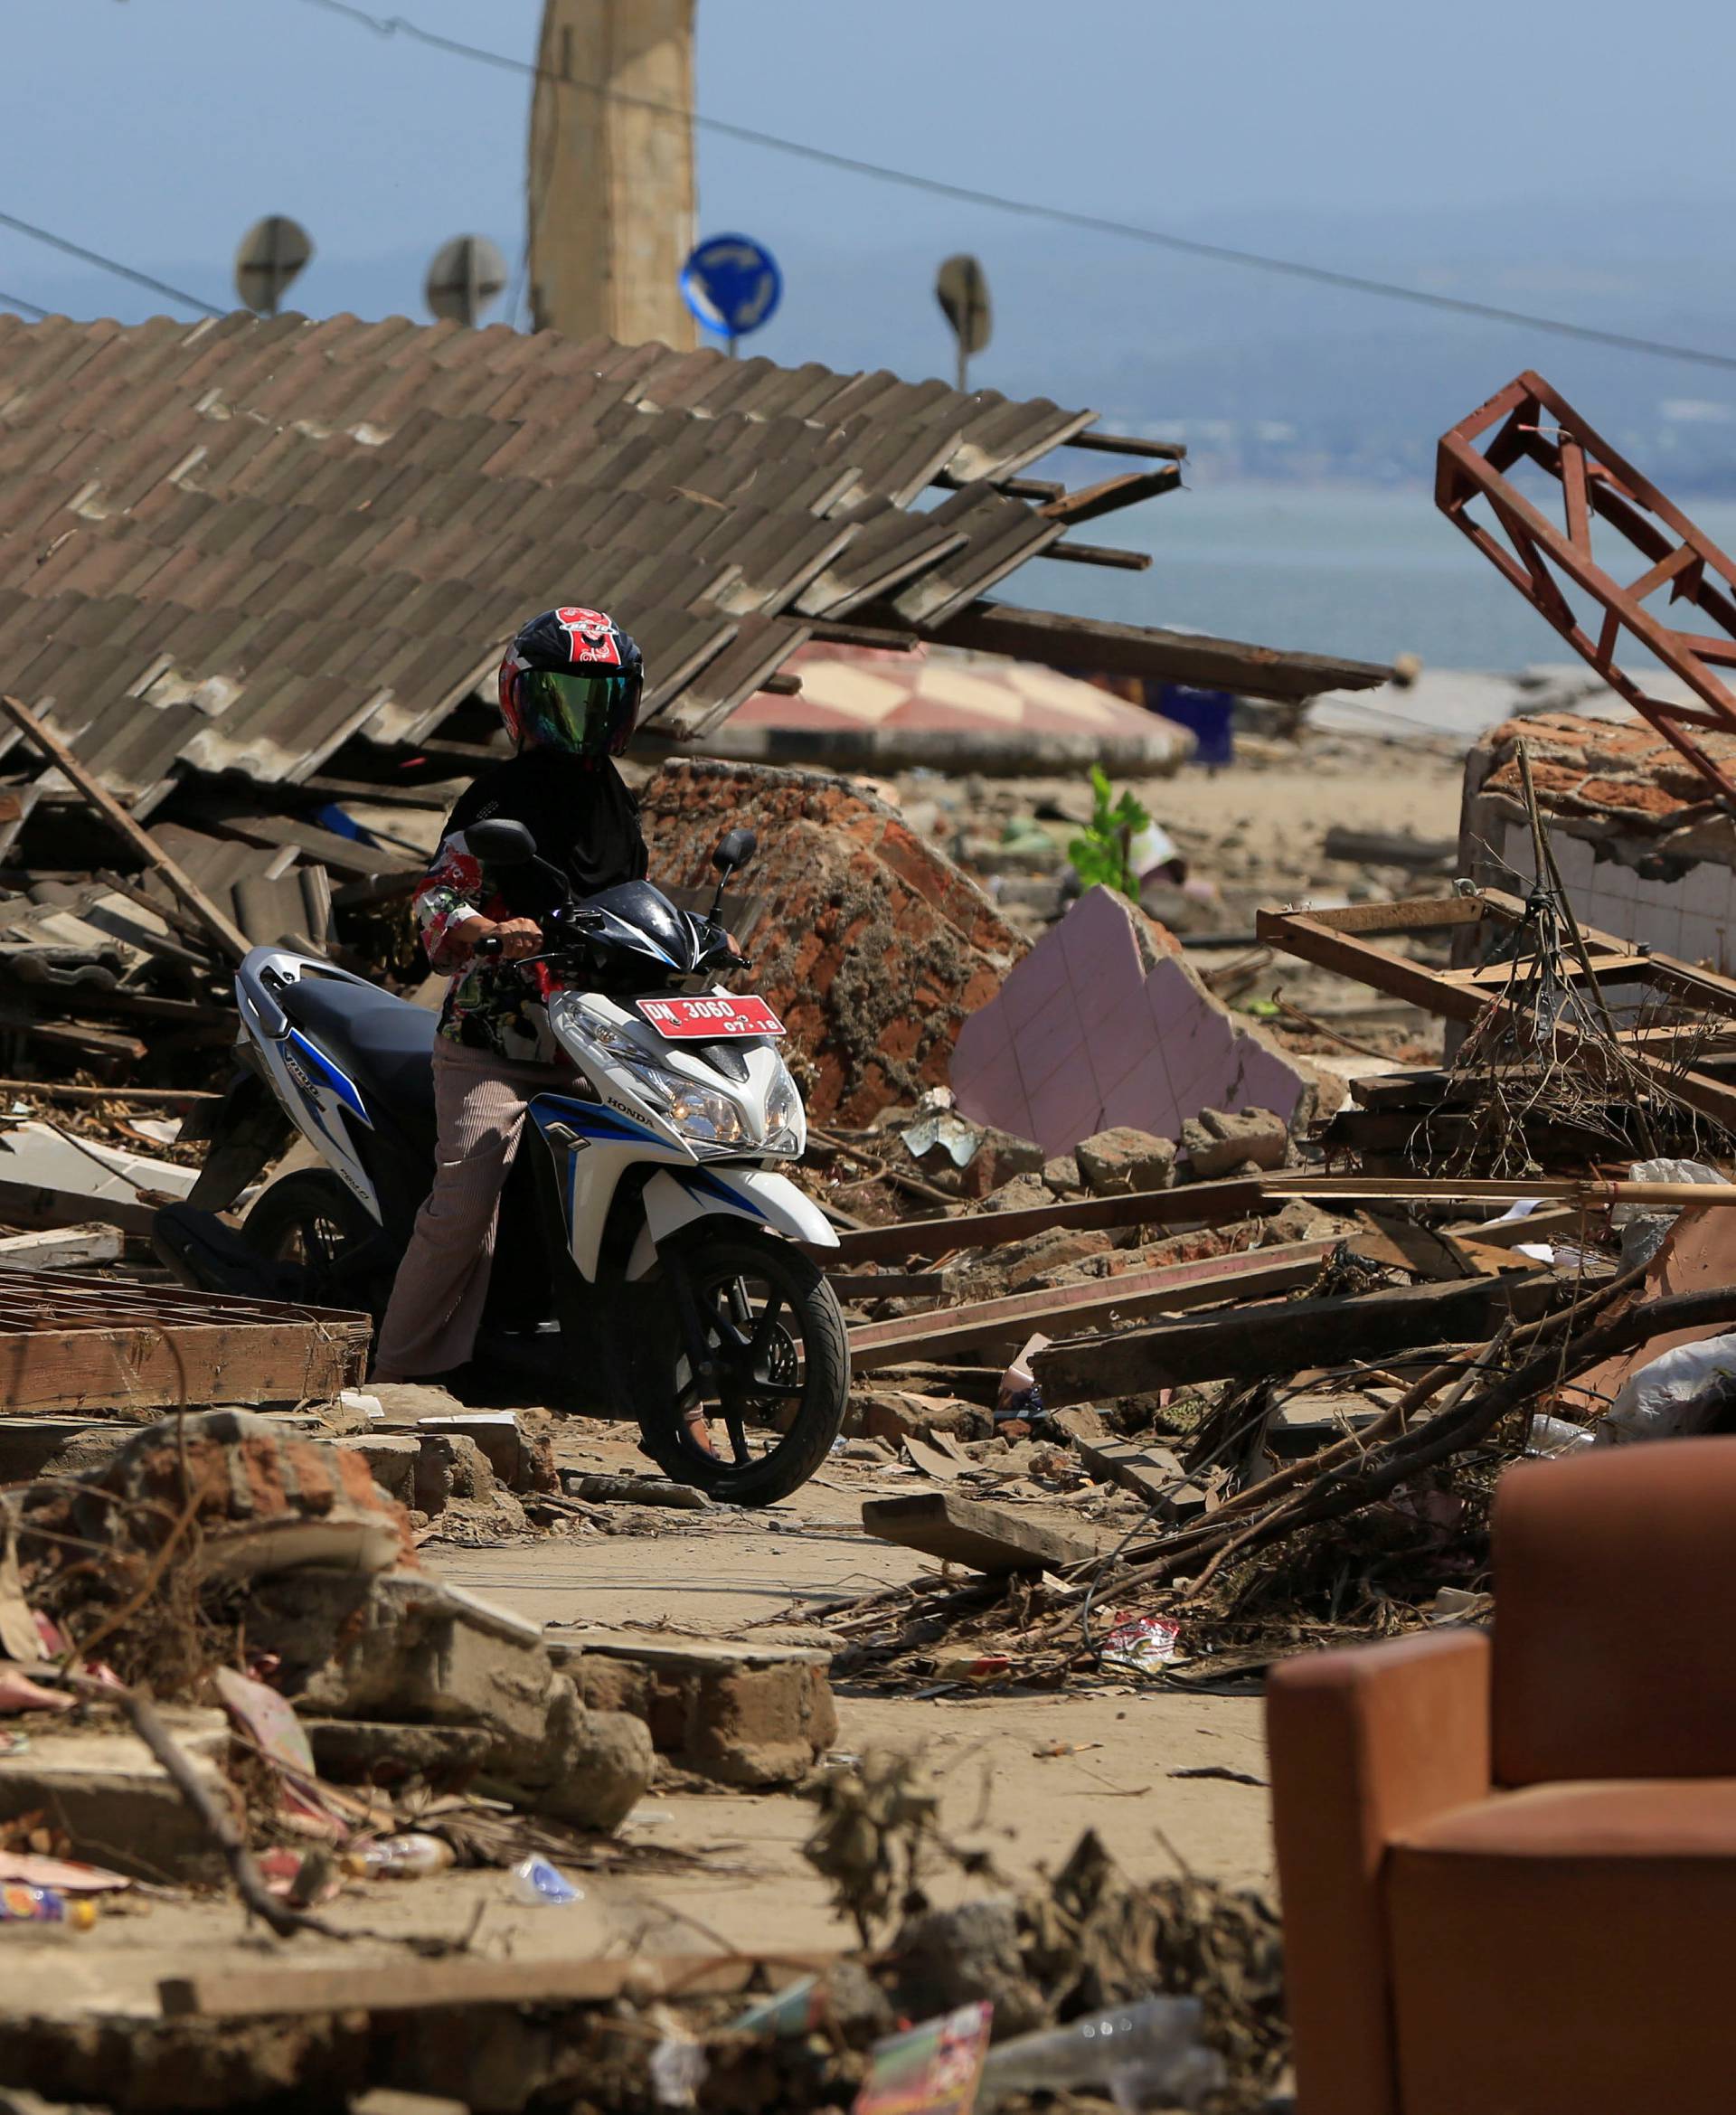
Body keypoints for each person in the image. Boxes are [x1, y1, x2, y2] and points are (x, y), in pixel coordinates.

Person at [370, 605, 647, 1384]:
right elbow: (433, 900)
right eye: (565, 697)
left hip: (599, 1042)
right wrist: (487, 929)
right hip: (500, 1044)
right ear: (524, 700)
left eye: (601, 698)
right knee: (465, 1208)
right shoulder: (496, 797)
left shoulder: (617, 802)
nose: (584, 718)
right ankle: (396, 1373)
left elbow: (631, 898)